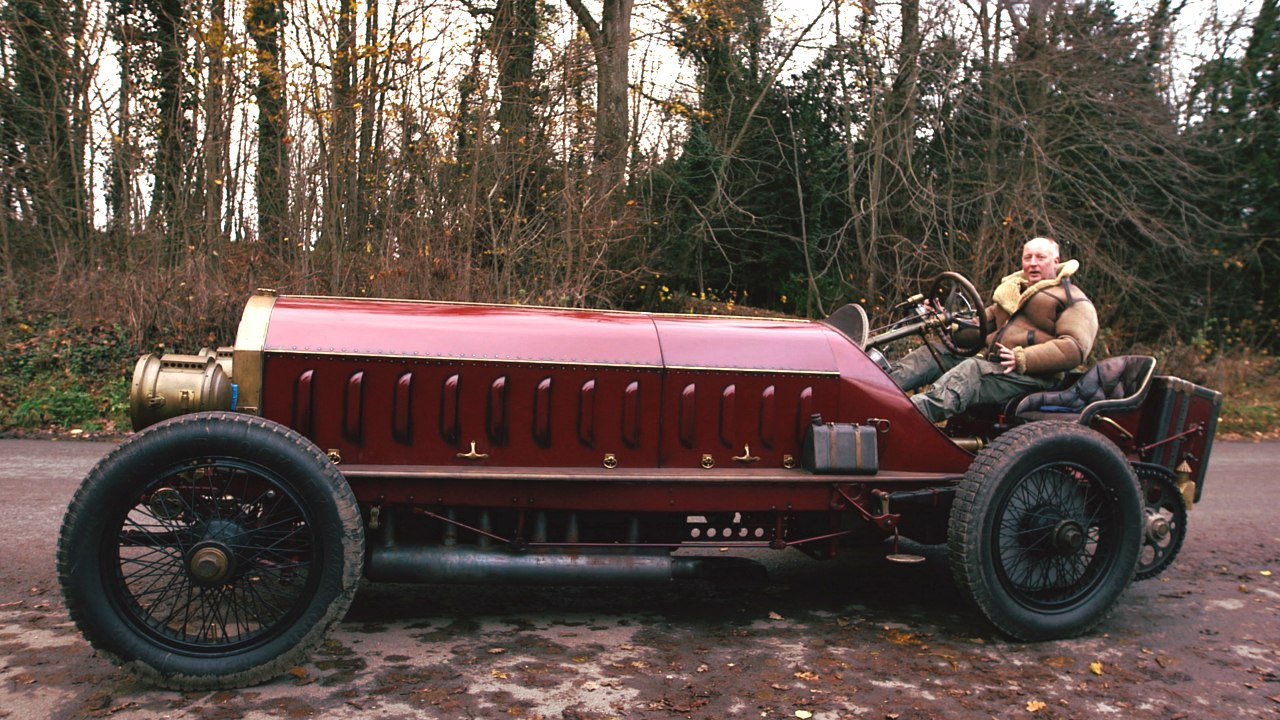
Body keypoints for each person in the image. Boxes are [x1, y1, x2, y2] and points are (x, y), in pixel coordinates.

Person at [888, 237, 1099, 423]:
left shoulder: (1072, 299)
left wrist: (1023, 358)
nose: (1033, 263)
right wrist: (945, 321)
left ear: (1056, 261)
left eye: (1040, 257)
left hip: (1034, 379)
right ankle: (877, 393)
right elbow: (975, 332)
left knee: (973, 369)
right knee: (933, 353)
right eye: (1027, 258)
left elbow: (1074, 348)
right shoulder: (1011, 294)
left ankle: (904, 417)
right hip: (997, 368)